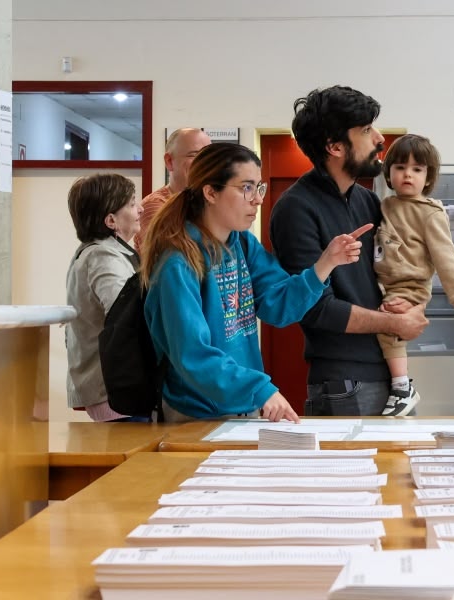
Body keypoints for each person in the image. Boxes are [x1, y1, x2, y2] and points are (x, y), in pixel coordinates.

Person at [140, 142, 368, 423]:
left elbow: (279, 305)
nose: (258, 199)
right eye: (246, 187)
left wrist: (326, 263)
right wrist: (259, 389)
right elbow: (193, 356)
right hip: (195, 413)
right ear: (211, 192)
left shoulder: (242, 244)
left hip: (240, 404)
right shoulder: (178, 263)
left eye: (258, 187)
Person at [270, 85, 429, 416]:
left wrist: (408, 303)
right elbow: (315, 309)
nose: (380, 139)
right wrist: (394, 324)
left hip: (389, 372)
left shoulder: (367, 200)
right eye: (367, 130)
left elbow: (387, 275)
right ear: (335, 146)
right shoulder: (295, 209)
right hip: (344, 381)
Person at [374, 134, 454, 416]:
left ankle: (402, 386)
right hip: (385, 282)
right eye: (400, 167)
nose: (408, 174)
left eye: (417, 169)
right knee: (381, 319)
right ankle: (399, 383)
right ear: (389, 173)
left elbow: (446, 255)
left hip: (411, 285)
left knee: (389, 324)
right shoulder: (384, 205)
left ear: (428, 178)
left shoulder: (430, 213)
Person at [64, 173, 147, 422]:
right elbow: (127, 316)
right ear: (111, 220)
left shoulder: (97, 253)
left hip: (113, 389)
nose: (141, 209)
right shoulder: (103, 257)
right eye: (132, 204)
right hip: (115, 391)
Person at [134, 127, 213, 247]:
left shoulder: (209, 202)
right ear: (169, 161)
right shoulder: (155, 206)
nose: (204, 163)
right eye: (194, 155)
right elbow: (178, 255)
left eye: (208, 156)